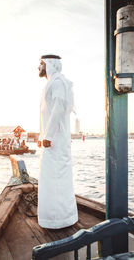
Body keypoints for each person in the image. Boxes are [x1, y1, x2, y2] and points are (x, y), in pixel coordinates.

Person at [37, 54, 78, 229]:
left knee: (57, 178)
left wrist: (48, 136)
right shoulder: (53, 82)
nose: (38, 68)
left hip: (56, 141)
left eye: (41, 64)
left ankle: (60, 219)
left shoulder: (58, 82)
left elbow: (59, 106)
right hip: (52, 140)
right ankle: (52, 218)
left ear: (49, 65)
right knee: (51, 178)